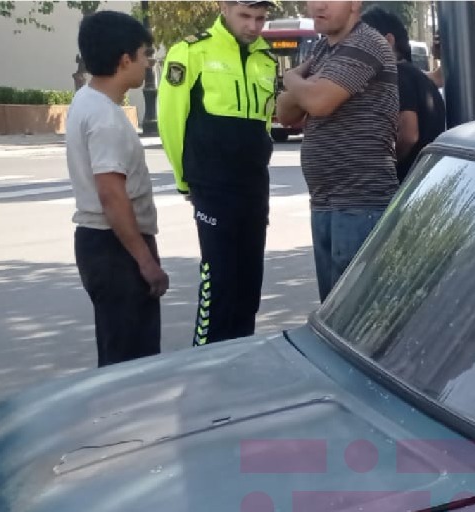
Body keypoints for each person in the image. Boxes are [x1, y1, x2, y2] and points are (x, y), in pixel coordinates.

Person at [157, 1, 280, 348]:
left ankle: (239, 359)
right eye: (245, 16)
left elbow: (265, 124)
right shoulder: (191, 52)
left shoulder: (267, 60)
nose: (253, 26)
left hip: (253, 187)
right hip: (213, 185)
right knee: (219, 284)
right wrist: (184, 179)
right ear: (225, 8)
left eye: (260, 18)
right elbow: (170, 120)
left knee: (249, 285)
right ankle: (205, 361)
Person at [276, 0, 399, 301]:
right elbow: (285, 113)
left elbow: (318, 102)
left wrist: (292, 79)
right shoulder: (322, 50)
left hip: (361, 204)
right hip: (326, 202)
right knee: (333, 309)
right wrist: (304, 89)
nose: (318, 6)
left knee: (354, 313)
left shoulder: (365, 43)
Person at [66, 10, 167, 367]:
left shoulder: (86, 100)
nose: (147, 64)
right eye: (144, 55)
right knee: (132, 363)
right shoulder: (106, 118)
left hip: (101, 243)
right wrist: (146, 261)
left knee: (117, 353)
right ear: (125, 60)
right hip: (115, 248)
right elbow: (111, 195)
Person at [361, 5, 445, 182]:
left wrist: (384, 168)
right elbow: (440, 77)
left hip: (404, 181)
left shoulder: (397, 76)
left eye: (363, 43)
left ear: (388, 41)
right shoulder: (415, 77)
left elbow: (409, 135)